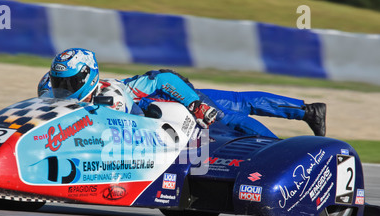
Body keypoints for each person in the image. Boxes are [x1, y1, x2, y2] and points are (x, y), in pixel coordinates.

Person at [38, 48, 326, 136]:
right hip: (178, 107)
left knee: (230, 118)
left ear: (88, 78)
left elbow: (162, 77)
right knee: (240, 101)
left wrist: (195, 104)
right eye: (58, 82)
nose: (62, 89)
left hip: (181, 106)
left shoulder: (115, 94)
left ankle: (278, 150)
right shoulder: (49, 90)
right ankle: (308, 111)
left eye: (68, 83)